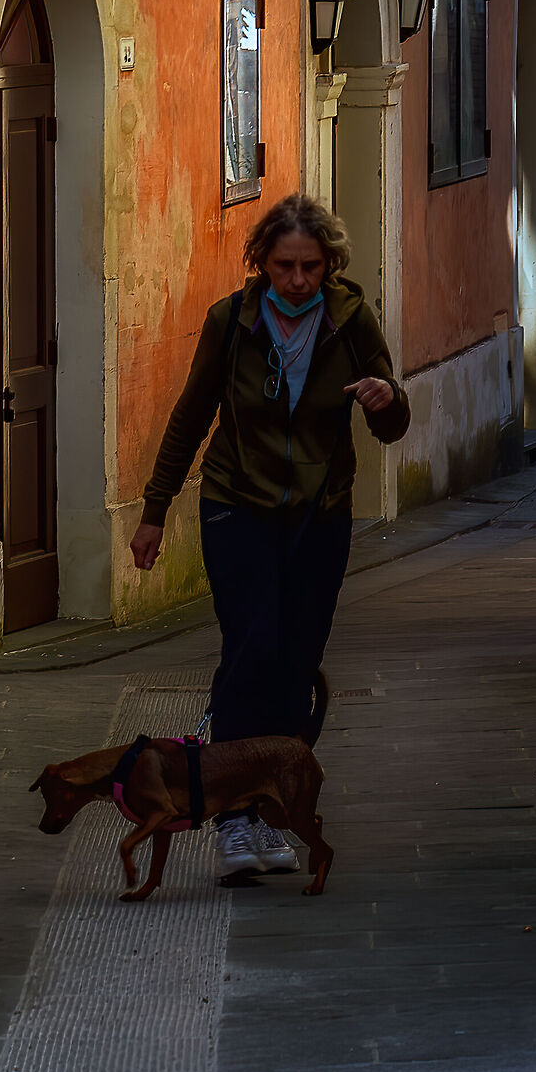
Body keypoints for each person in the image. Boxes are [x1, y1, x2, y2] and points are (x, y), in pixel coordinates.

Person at [131, 191, 410, 882]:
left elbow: (391, 423)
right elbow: (191, 415)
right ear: (260, 261)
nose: (297, 280)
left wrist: (387, 399)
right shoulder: (231, 322)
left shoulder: (349, 321)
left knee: (295, 659)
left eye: (310, 266)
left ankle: (271, 807)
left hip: (320, 512)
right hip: (237, 503)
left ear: (329, 264)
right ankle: (231, 819)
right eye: (284, 265)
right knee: (251, 647)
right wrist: (153, 510)